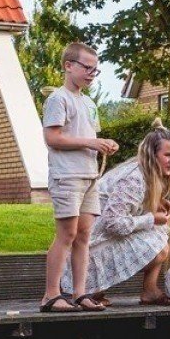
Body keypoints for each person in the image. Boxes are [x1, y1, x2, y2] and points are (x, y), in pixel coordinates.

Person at [40, 42, 118, 312]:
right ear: (68, 66)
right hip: (67, 176)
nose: (91, 74)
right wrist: (91, 143)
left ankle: (80, 293)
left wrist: (103, 143)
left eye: (95, 70)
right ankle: (51, 295)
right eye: (86, 67)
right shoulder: (57, 99)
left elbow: (88, 136)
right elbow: (53, 137)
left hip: (89, 176)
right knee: (67, 233)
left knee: (84, 235)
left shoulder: (89, 103)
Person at [65, 125, 170, 305]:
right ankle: (92, 289)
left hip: (94, 241)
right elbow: (114, 223)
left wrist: (156, 202)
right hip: (90, 245)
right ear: (152, 155)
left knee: (159, 231)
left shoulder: (143, 173)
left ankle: (147, 290)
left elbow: (127, 207)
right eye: (167, 155)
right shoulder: (133, 178)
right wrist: (151, 218)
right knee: (159, 239)